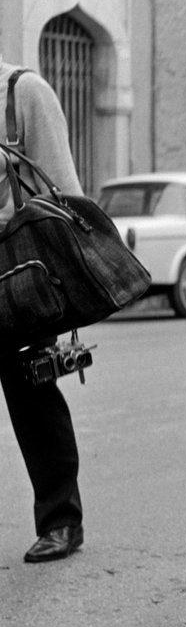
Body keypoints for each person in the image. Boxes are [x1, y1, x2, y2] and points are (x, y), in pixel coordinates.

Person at [0, 56, 87, 562]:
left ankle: (61, 521)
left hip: (18, 275)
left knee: (33, 402)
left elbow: (63, 193)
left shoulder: (24, 92)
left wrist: (67, 284)